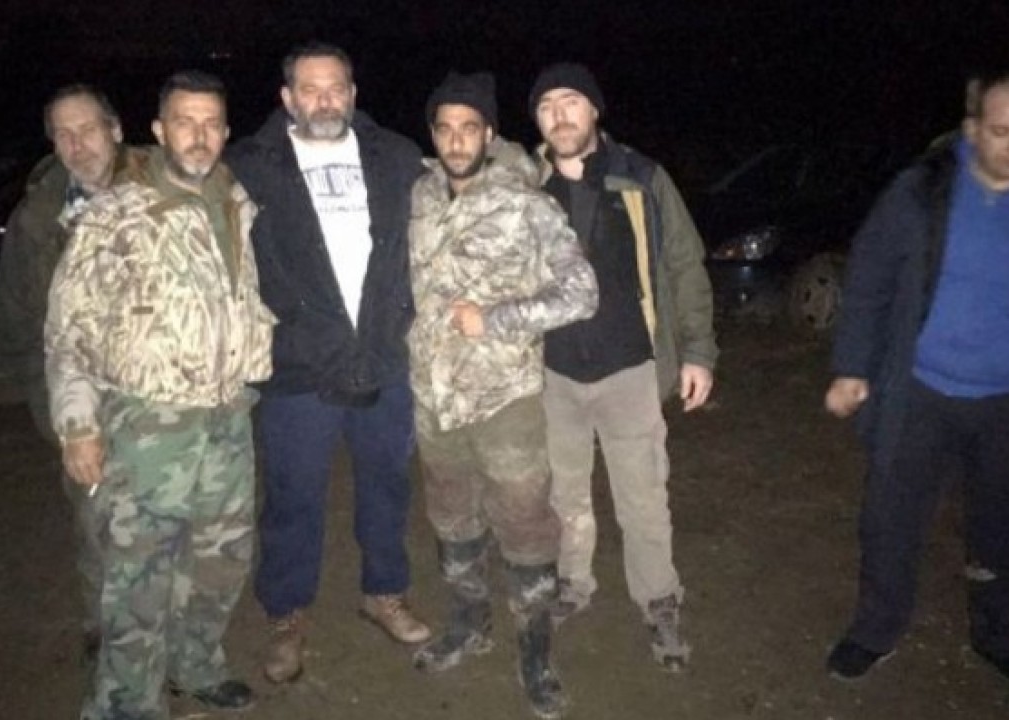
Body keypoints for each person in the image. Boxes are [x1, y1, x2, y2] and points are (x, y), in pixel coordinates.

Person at [824, 72, 1009, 688]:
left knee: (1008, 532)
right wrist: (853, 366)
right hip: (920, 392)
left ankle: (997, 637)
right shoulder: (921, 191)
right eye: (1001, 132)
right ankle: (876, 629)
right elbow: (869, 278)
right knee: (890, 522)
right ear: (972, 131)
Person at [45, 70, 275, 719]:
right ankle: (125, 703)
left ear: (225, 132)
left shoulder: (234, 200)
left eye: (210, 123)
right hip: (150, 425)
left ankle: (195, 665)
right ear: (157, 130)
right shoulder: (114, 213)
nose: (198, 135)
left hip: (227, 416)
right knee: (139, 576)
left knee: (223, 560)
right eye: (184, 121)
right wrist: (78, 424)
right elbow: (69, 331)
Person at [225, 41, 431, 685]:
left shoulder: (396, 157)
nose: (324, 101)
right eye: (310, 89)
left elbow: (465, 176)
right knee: (292, 496)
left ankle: (384, 592)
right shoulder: (249, 166)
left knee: (387, 484)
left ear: (353, 92)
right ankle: (287, 614)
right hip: (297, 366)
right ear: (287, 98)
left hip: (381, 356)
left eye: (336, 87)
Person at [408, 71, 599, 720]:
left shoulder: (526, 204)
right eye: (445, 128)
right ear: (433, 136)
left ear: (488, 134)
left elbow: (582, 293)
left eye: (470, 128)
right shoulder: (419, 197)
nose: (457, 140)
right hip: (434, 401)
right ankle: (470, 624)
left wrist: (495, 319)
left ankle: (535, 655)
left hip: (505, 402)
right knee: (451, 521)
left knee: (525, 529)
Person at [528, 62, 718, 671]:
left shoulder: (642, 178)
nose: (559, 115)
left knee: (643, 497)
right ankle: (573, 583)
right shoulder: (525, 185)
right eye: (547, 106)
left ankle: (659, 599)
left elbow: (685, 265)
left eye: (571, 102)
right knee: (565, 494)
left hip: (630, 369)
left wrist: (698, 352)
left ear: (594, 110)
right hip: (553, 373)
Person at [0, 83, 132, 661]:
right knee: (98, 523)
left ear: (115, 130)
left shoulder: (163, 189)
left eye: (88, 129)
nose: (78, 145)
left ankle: (172, 641)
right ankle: (105, 636)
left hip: (164, 400)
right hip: (85, 403)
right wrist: (60, 420)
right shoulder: (37, 221)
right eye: (63, 135)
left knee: (172, 525)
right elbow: (16, 330)